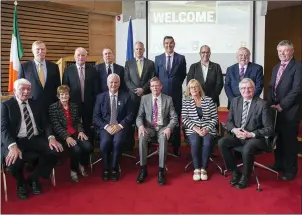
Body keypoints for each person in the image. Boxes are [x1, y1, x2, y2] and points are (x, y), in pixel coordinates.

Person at [1, 79, 63, 200]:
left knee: (55, 152)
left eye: (28, 89)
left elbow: (46, 123)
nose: (26, 92)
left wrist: (51, 138)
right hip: (15, 140)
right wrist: (12, 146)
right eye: (22, 89)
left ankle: (32, 179)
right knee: (13, 162)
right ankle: (20, 183)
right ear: (14, 91)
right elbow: (2, 129)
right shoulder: (5, 105)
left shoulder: (36, 103)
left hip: (34, 138)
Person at [218, 78, 274, 189]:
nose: (246, 90)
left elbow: (270, 128)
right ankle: (235, 171)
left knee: (247, 148)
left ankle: (246, 177)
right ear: (240, 90)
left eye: (249, 88)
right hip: (239, 136)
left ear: (254, 89)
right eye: (243, 88)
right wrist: (235, 130)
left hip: (256, 138)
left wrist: (251, 134)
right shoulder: (235, 101)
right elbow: (229, 121)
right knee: (222, 142)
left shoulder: (262, 104)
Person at [267, 40, 302, 181]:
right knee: (279, 139)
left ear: (292, 51)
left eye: (285, 51)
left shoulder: (298, 66)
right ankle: (279, 164)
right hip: (275, 110)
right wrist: (270, 104)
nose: (282, 54)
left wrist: (282, 105)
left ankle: (291, 170)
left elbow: (297, 89)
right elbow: (271, 87)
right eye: (280, 51)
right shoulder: (276, 67)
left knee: (289, 141)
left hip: (290, 110)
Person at [136, 77, 178, 185]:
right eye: (152, 86)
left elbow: (174, 118)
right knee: (142, 136)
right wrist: (140, 126)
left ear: (161, 86)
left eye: (157, 85)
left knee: (163, 138)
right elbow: (139, 116)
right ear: (150, 87)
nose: (155, 88)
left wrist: (169, 128)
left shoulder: (168, 99)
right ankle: (143, 169)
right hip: (149, 128)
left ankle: (161, 171)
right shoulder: (144, 99)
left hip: (162, 127)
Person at [93, 74, 133, 182]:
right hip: (106, 127)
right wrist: (106, 126)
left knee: (118, 142)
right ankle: (106, 168)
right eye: (111, 82)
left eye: (116, 82)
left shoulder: (126, 96)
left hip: (120, 126)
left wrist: (119, 126)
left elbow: (130, 115)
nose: (113, 84)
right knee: (105, 142)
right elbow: (96, 117)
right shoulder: (100, 97)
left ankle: (115, 169)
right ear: (107, 84)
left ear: (119, 84)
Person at [49, 85, 92, 182]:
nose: (64, 96)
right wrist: (67, 137)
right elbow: (56, 126)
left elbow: (77, 121)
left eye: (66, 94)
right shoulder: (53, 108)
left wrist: (80, 131)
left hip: (75, 132)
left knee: (88, 146)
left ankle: (80, 163)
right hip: (62, 135)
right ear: (58, 96)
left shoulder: (74, 106)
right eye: (62, 94)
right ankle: (73, 170)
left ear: (69, 95)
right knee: (76, 150)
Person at [154, 36, 186, 156]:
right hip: (162, 95)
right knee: (162, 119)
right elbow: (156, 75)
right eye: (166, 43)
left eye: (171, 43)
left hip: (176, 96)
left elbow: (182, 75)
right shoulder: (158, 58)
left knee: (176, 120)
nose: (169, 45)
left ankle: (176, 146)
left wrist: (173, 84)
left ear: (174, 44)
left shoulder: (181, 58)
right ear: (163, 45)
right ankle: (162, 145)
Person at [182, 79, 218, 181]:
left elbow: (215, 118)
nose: (193, 89)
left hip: (208, 128)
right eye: (191, 87)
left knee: (207, 143)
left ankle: (204, 168)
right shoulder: (186, 101)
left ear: (199, 88)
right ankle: (197, 168)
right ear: (189, 89)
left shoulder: (208, 100)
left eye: (195, 87)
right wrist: (196, 129)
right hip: (193, 129)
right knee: (195, 142)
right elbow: (185, 119)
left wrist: (207, 129)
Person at [124, 41, 155, 152]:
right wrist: (135, 90)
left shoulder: (150, 63)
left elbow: (152, 78)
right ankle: (130, 146)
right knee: (132, 121)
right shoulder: (128, 63)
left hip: (146, 96)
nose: (138, 51)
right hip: (132, 98)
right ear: (134, 50)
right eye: (136, 49)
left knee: (146, 121)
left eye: (140, 49)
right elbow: (127, 79)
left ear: (144, 50)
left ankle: (148, 145)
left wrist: (143, 89)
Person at [62, 47, 99, 139]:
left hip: (89, 104)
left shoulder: (93, 70)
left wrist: (95, 103)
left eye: (83, 55)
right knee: (74, 126)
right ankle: (77, 148)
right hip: (73, 104)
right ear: (74, 57)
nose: (80, 57)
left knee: (88, 126)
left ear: (86, 57)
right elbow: (65, 89)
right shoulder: (68, 70)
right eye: (78, 55)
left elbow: (96, 89)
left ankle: (89, 149)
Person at [18, 40, 61, 111]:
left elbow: (58, 86)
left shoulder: (54, 66)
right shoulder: (24, 67)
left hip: (51, 106)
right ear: (32, 51)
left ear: (46, 50)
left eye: (43, 49)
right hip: (31, 105)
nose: (40, 51)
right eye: (37, 49)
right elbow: (20, 87)